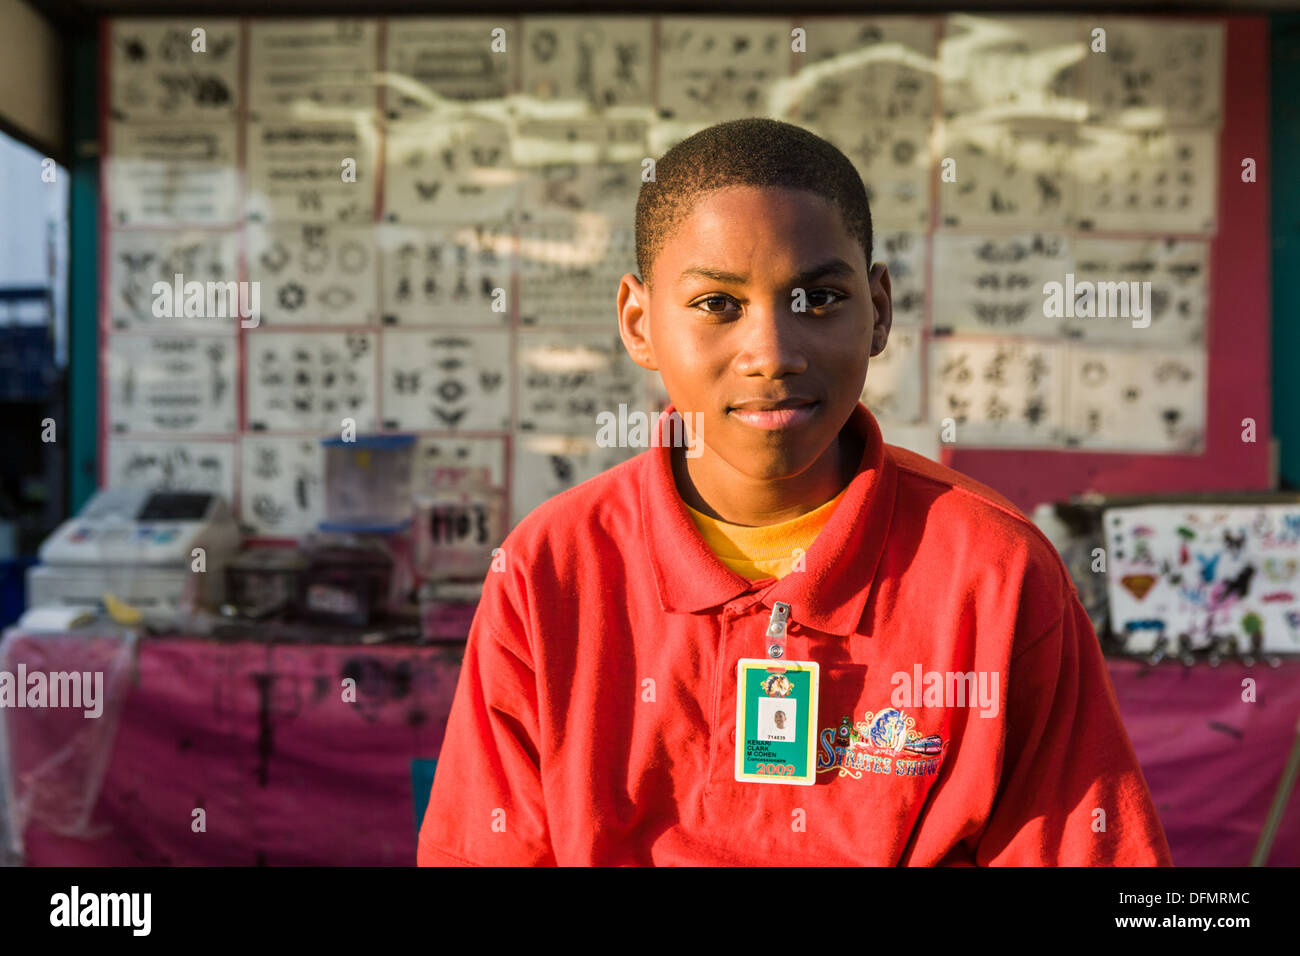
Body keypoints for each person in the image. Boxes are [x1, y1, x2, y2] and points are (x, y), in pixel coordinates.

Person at [418, 118, 1172, 866]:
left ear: (878, 309)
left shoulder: (994, 573)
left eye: (817, 299)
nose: (772, 354)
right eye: (718, 304)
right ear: (639, 324)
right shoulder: (549, 569)